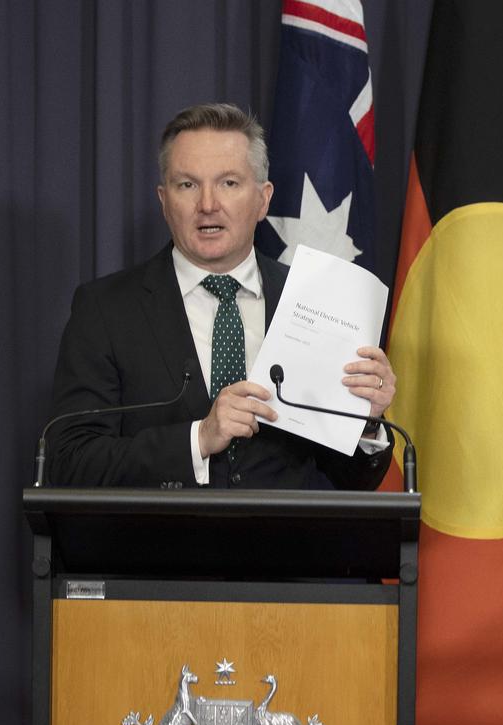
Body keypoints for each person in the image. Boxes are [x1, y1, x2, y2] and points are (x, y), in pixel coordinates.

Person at [48, 103, 395, 489]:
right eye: (188, 185)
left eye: (229, 183)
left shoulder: (315, 303)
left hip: (287, 545)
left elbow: (351, 480)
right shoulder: (105, 309)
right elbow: (70, 461)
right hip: (154, 546)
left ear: (263, 200)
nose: (208, 205)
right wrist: (199, 438)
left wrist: (364, 419)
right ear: (164, 201)